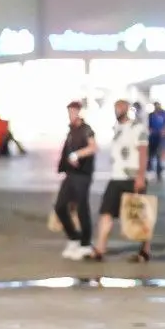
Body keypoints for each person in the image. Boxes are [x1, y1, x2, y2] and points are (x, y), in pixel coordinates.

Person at [90, 100, 151, 264]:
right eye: (115, 107)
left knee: (139, 215)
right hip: (116, 177)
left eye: (121, 107)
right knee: (106, 212)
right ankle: (100, 249)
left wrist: (140, 176)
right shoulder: (116, 128)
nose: (117, 110)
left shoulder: (138, 128)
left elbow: (143, 152)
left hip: (132, 177)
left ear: (127, 109)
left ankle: (145, 250)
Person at [54, 100, 97, 259]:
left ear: (80, 112)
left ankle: (85, 243)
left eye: (73, 112)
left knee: (81, 208)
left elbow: (93, 147)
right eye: (69, 112)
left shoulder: (86, 129)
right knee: (60, 206)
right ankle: (74, 237)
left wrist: (77, 154)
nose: (71, 115)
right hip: (70, 174)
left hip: (83, 174)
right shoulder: (71, 130)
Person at [146, 102, 165, 179]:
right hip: (152, 137)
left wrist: (163, 132)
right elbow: (148, 126)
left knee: (159, 155)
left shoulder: (163, 115)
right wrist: (151, 131)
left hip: (160, 138)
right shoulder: (151, 115)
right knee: (150, 154)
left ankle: (159, 171)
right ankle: (150, 170)